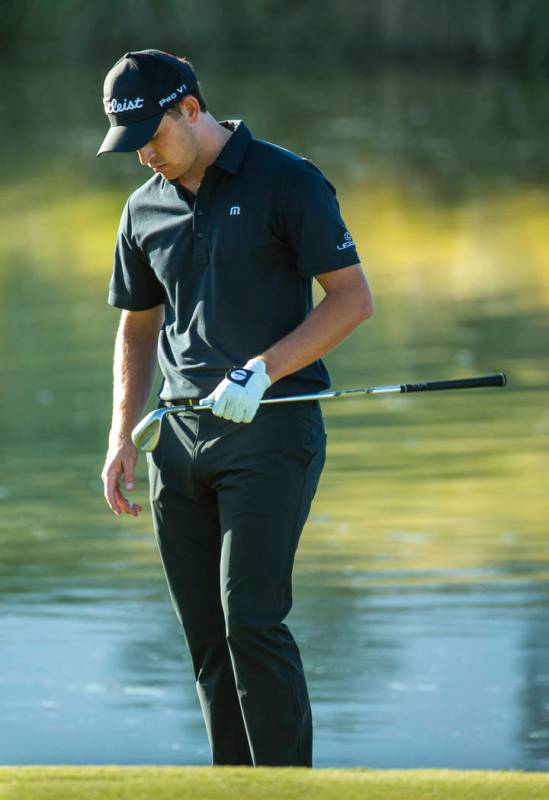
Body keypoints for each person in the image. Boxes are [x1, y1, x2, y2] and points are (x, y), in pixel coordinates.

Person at [99, 49, 373, 768]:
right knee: (206, 640)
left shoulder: (287, 180)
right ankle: (232, 786)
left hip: (271, 428)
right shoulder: (143, 207)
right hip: (176, 440)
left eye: (150, 137)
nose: (143, 158)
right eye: (128, 147)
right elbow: (136, 325)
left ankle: (286, 785)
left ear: (191, 109)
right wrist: (123, 434)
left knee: (250, 622)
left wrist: (262, 369)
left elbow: (351, 299)